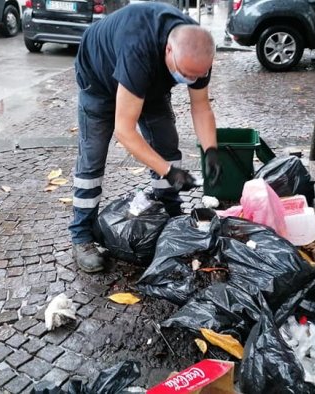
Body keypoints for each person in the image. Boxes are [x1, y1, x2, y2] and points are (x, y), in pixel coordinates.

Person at [69, 2, 222, 273]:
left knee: (166, 144)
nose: (189, 80)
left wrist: (211, 150)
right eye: (184, 74)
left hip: (151, 82)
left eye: (195, 76)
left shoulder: (195, 52)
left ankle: (172, 216)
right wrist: (169, 172)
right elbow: (124, 131)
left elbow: (201, 106)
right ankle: (81, 235)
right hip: (99, 80)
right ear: (168, 50)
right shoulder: (138, 48)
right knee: (92, 158)